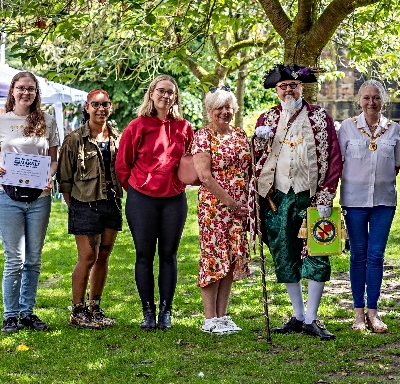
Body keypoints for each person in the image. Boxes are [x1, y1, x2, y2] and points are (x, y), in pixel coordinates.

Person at [253, 64, 342, 341]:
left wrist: (327, 194)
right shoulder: (266, 118)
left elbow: (335, 158)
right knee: (285, 252)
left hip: (311, 196)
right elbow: (253, 158)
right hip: (277, 197)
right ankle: (299, 315)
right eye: (283, 86)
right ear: (277, 91)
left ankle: (313, 318)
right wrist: (257, 140)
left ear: (301, 88)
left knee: (318, 252)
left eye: (293, 85)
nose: (288, 90)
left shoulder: (319, 117)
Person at [115, 74, 194, 331]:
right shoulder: (137, 126)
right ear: (151, 93)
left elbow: (191, 161)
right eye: (161, 91)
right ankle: (147, 311)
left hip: (173, 200)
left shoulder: (184, 127)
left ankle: (166, 312)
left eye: (171, 92)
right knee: (144, 255)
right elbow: (122, 165)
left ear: (175, 97)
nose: (165, 96)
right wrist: (139, 189)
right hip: (142, 200)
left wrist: (179, 184)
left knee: (169, 255)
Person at [339, 80, 400, 333]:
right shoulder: (347, 128)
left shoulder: (395, 129)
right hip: (354, 200)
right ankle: (357, 313)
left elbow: (397, 164)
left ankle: (373, 312)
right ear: (359, 100)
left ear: (382, 101)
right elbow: (338, 162)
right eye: (366, 98)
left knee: (376, 256)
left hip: (384, 201)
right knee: (358, 256)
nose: (371, 102)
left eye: (376, 98)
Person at [57, 89, 122, 329]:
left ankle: (95, 307)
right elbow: (64, 179)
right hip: (84, 204)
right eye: (95, 104)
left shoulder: (117, 136)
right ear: (87, 107)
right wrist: (72, 206)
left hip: (111, 202)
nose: (100, 109)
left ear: (110, 107)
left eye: (105, 105)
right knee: (87, 256)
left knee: (103, 255)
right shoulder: (75, 139)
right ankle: (77, 310)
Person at [0, 72, 59, 333]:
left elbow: (53, 158)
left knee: (33, 259)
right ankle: (10, 315)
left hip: (40, 198)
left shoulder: (47, 121)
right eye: (22, 88)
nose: (26, 93)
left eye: (31, 89)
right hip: (7, 197)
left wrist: (49, 176)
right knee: (15, 259)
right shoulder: (1, 121)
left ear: (36, 93)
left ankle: (27, 313)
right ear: (13, 90)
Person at [191, 87, 251, 335]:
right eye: (220, 108)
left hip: (239, 209)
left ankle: (223, 316)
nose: (225, 112)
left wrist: (246, 202)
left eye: (229, 108)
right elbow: (205, 176)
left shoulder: (239, 135)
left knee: (230, 259)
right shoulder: (203, 136)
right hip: (215, 208)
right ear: (210, 111)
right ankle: (209, 319)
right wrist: (231, 202)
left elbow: (249, 171)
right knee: (214, 259)